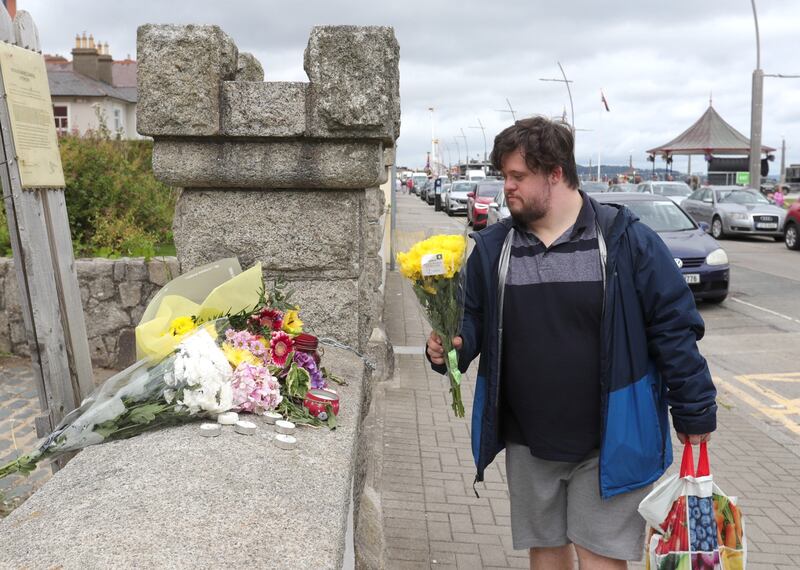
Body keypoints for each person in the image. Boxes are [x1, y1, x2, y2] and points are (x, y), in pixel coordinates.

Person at [426, 116, 716, 569]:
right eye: (505, 176)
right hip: (526, 438)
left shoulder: (624, 241)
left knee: (601, 557)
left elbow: (673, 326)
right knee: (546, 552)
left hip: (609, 438)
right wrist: (452, 348)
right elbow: (472, 319)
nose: (507, 187)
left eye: (518, 176)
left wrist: (694, 408)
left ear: (556, 173)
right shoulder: (494, 248)